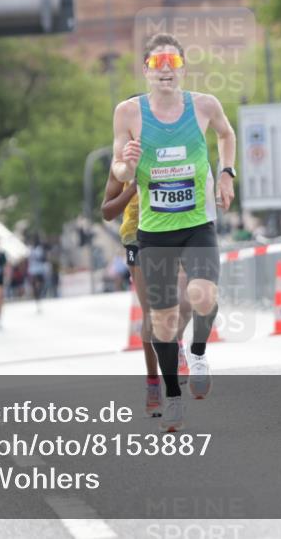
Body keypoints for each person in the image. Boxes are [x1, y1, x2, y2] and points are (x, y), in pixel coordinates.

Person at [111, 32, 236, 431]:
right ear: (145, 69)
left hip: (198, 222)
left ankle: (197, 351)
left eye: (173, 63)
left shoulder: (203, 105)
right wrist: (127, 164)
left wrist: (227, 174)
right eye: (157, 64)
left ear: (182, 67)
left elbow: (226, 134)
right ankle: (173, 396)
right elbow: (118, 169)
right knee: (163, 323)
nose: (166, 71)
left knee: (203, 295)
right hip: (155, 230)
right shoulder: (129, 113)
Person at [102, 172, 193, 417]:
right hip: (138, 238)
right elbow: (107, 212)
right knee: (152, 315)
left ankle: (177, 341)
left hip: (175, 230)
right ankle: (154, 383)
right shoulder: (121, 163)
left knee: (185, 303)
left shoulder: (172, 145)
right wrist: (132, 187)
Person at [28, 238, 48, 313]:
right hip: (37, 270)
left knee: (39, 286)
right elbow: (43, 259)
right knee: (38, 286)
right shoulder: (38, 250)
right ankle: (38, 298)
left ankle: (38, 297)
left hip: (36, 270)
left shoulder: (31, 250)